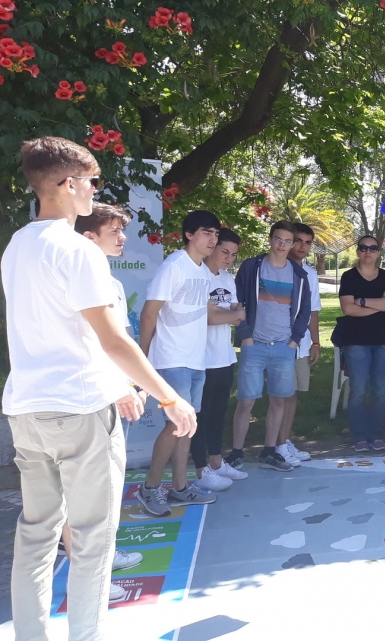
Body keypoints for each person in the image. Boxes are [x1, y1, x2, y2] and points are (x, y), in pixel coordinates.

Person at [5, 136, 194, 640]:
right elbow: (113, 340)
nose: (95, 190)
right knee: (92, 542)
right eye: (91, 181)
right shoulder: (76, 250)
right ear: (68, 184)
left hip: (27, 409)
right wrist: (169, 397)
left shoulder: (18, 244)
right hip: (81, 410)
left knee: (36, 537)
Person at [72, 203, 146, 586]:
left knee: (111, 481)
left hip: (118, 393)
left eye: (122, 230)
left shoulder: (112, 282)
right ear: (89, 237)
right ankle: (95, 569)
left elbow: (124, 340)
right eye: (114, 231)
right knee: (94, 487)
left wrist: (134, 382)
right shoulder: (78, 279)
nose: (123, 238)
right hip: (93, 397)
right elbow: (97, 345)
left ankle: (105, 555)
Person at [137, 209, 222, 516]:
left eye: (215, 234)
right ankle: (149, 488)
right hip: (171, 359)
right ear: (189, 234)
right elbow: (149, 314)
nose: (212, 240)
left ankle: (180, 488)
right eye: (206, 233)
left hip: (196, 360)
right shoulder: (174, 265)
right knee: (176, 424)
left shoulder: (203, 271)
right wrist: (141, 361)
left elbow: (206, 314)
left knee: (187, 425)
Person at [230, 221, 312, 471]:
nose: (282, 245)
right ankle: (236, 454)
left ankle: (269, 452)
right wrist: (245, 336)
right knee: (246, 401)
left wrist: (294, 341)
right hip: (254, 345)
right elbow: (237, 301)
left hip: (283, 347)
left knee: (279, 401)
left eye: (288, 241)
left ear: (293, 244)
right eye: (278, 239)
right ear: (270, 239)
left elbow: (304, 311)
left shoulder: (299, 275)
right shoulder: (252, 267)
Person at [191, 228, 248, 488]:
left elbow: (237, 311)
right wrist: (229, 314)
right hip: (201, 359)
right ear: (212, 247)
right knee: (200, 416)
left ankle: (216, 461)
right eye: (225, 252)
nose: (228, 258)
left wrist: (228, 313)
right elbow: (210, 317)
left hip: (225, 357)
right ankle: (200, 469)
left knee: (218, 412)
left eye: (233, 255)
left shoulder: (226, 278)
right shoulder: (198, 275)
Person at [336, 235, 385, 452]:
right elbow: (348, 309)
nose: (368, 252)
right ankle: (359, 435)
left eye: (373, 248)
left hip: (383, 342)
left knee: (380, 390)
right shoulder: (349, 277)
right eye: (363, 248)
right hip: (356, 342)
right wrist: (379, 305)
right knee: (359, 391)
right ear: (357, 251)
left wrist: (362, 302)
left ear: (379, 252)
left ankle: (376, 434)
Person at [276, 222, 321, 464]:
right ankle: (275, 445)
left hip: (301, 344)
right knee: (281, 395)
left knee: (292, 395)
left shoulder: (310, 274)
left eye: (308, 243)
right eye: (298, 241)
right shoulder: (276, 268)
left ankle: (284, 441)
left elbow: (313, 310)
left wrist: (316, 342)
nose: (303, 247)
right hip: (278, 341)